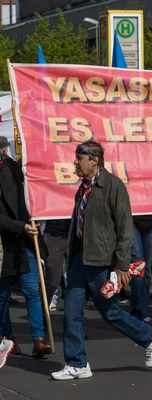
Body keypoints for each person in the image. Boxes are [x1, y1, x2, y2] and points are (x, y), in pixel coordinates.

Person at [51, 140, 152, 381]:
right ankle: (77, 363)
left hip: (101, 260)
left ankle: (149, 337)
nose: (75, 163)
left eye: (79, 158)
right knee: (71, 312)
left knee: (110, 312)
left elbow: (125, 227)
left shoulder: (113, 186)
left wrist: (123, 263)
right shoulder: (83, 188)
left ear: (94, 160)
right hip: (81, 258)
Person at [0, 136, 51, 358]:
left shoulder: (19, 168)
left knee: (32, 290)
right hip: (4, 242)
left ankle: (38, 339)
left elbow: (29, 197)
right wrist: (22, 226)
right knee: (2, 295)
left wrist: (33, 220)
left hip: (24, 239)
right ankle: (8, 339)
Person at [129, 215, 152, 323]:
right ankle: (140, 310)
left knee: (147, 269)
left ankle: (139, 307)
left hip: (150, 221)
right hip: (130, 221)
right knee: (138, 265)